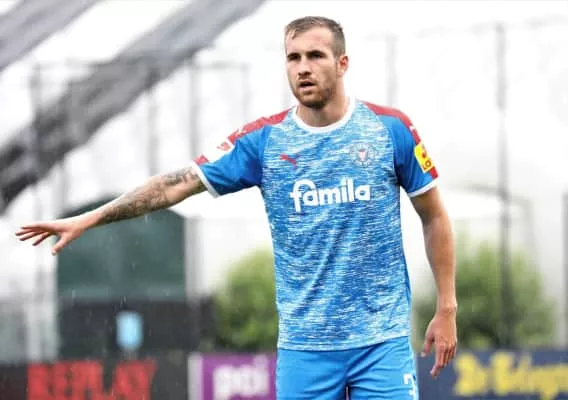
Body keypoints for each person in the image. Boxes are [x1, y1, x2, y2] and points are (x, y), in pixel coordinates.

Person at [17, 16, 457, 399]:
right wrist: (91, 218)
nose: (303, 68)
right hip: (305, 349)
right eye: (293, 58)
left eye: (315, 56)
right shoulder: (264, 142)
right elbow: (176, 185)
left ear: (342, 63)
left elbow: (434, 216)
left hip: (382, 343)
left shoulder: (390, 130)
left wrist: (446, 307)